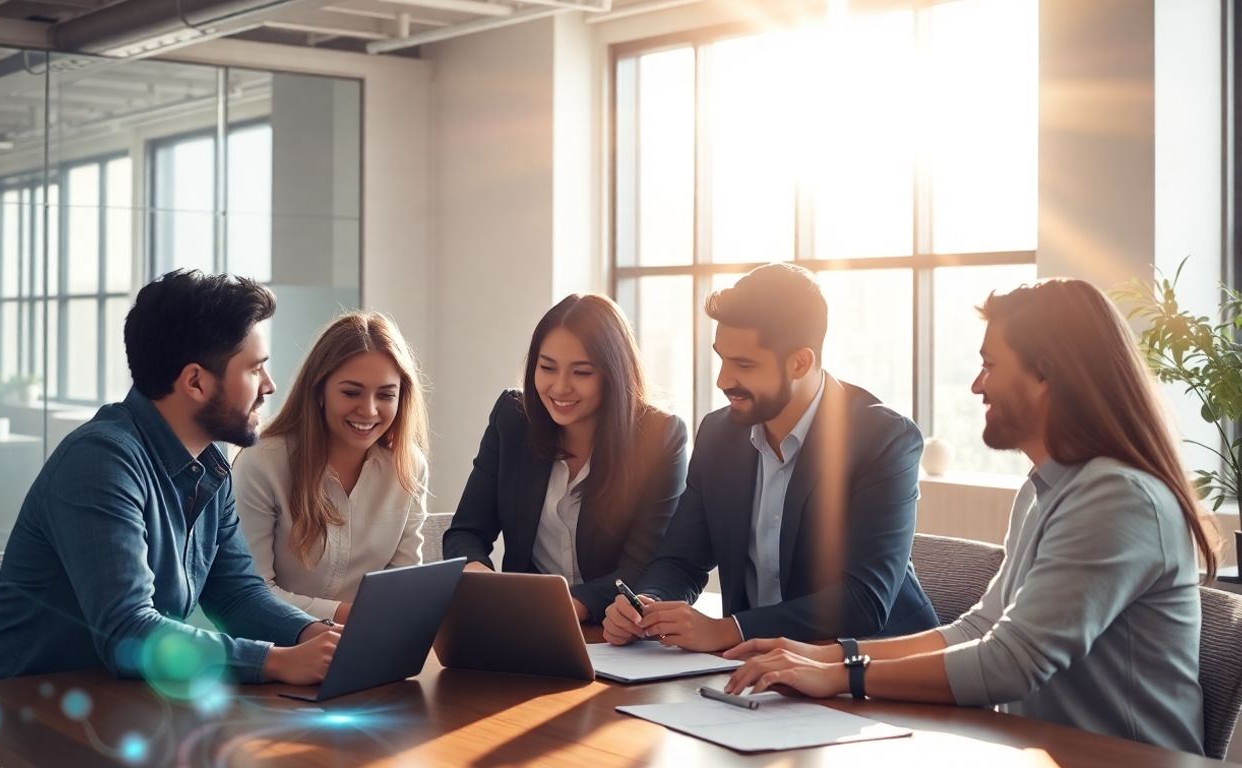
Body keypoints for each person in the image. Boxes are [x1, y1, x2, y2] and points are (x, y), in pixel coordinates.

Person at [723, 279, 1217, 755]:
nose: (978, 385)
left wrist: (840, 675)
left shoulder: (1118, 497)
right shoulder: (1045, 487)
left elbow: (1011, 661)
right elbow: (980, 629)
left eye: (990, 365)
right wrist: (819, 654)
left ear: (1045, 375)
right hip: (1039, 751)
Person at [0, 270, 339, 687]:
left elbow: (238, 594)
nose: (269, 387)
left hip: (123, 704)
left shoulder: (210, 465)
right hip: (29, 710)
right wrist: (276, 661)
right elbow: (129, 631)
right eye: (255, 369)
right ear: (195, 381)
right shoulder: (100, 461)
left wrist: (315, 635)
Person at [602, 263, 938, 652]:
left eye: (744, 365)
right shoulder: (718, 435)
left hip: (874, 670)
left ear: (800, 362)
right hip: (760, 672)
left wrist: (730, 630)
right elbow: (680, 560)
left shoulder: (883, 439)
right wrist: (648, 604)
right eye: (722, 359)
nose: (723, 380)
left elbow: (863, 600)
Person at [443, 294, 688, 622]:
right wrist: (481, 580)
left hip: (614, 628)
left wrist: (569, 606)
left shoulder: (660, 436)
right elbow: (466, 532)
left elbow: (645, 565)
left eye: (581, 372)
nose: (559, 387)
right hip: (523, 622)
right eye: (547, 368)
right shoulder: (513, 419)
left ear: (613, 375)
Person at [234, 312, 429, 623]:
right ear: (319, 390)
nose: (368, 410)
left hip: (364, 645)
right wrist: (346, 615)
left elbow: (402, 584)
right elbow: (248, 592)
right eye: (351, 392)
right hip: (277, 649)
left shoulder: (408, 465)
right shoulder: (263, 463)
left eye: (386, 395)